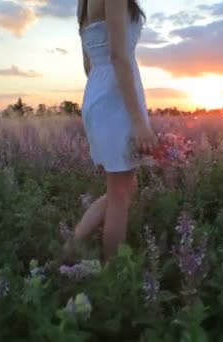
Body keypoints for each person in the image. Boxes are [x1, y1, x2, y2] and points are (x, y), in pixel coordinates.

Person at [62, 0, 157, 262]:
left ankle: (71, 247)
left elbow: (89, 64)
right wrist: (139, 122)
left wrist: (101, 90)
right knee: (119, 195)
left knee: (122, 187)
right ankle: (114, 274)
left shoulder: (83, 4)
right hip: (117, 99)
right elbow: (119, 56)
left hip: (98, 93)